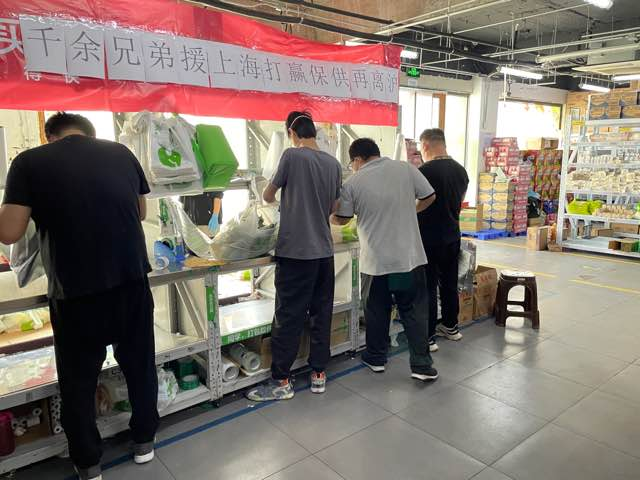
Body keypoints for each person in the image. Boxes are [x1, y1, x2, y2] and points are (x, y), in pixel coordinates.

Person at [0, 113, 157, 480]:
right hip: (131, 282)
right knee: (140, 367)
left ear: (49, 136)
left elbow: (9, 232)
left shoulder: (29, 162)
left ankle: (88, 463)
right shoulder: (121, 153)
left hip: (76, 293)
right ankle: (144, 442)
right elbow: (141, 211)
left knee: (79, 381)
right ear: (90, 134)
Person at [246, 111, 342, 402]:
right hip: (324, 252)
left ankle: (281, 381)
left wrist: (286, 202)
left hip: (296, 252)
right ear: (314, 132)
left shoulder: (291, 156)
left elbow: (267, 195)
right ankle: (318, 375)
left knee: (288, 316)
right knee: (321, 313)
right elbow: (335, 207)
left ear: (291, 132)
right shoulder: (333, 163)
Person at [331, 138, 438, 381]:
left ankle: (376, 358)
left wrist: (330, 217)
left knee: (377, 310)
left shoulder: (353, 182)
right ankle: (421, 366)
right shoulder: (405, 168)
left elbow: (343, 218)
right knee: (413, 311)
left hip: (376, 262)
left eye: (352, 163)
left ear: (357, 159)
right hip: (409, 259)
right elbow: (430, 195)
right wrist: (411, 210)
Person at [417, 128, 469, 352]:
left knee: (428, 287)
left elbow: (417, 202)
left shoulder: (423, 171)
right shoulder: (460, 170)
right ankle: (451, 327)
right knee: (449, 283)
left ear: (425, 145)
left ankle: (428, 337)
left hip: (428, 238)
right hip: (452, 235)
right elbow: (459, 201)